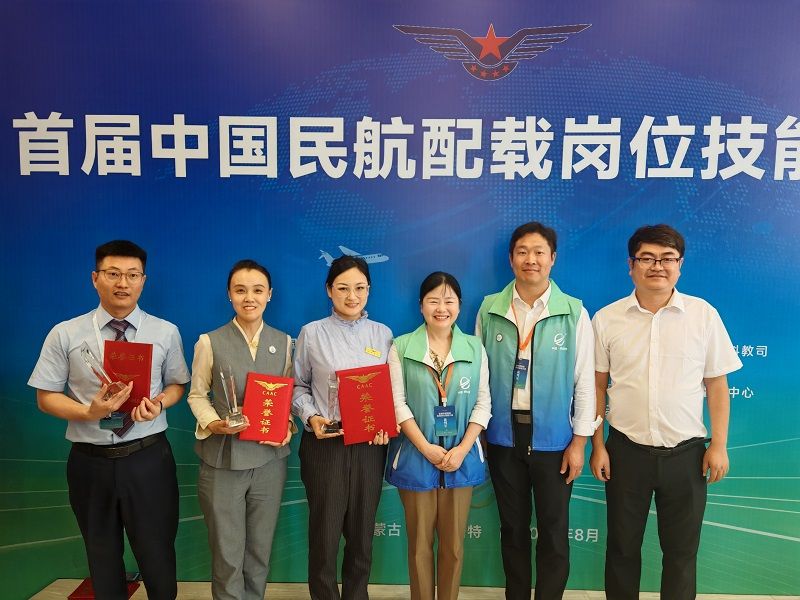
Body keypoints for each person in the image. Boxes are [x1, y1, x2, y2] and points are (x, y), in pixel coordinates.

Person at [28, 240, 190, 600]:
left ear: (143, 280)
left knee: (158, 554)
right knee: (101, 557)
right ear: (95, 278)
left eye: (132, 275)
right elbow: (45, 397)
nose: (123, 283)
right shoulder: (66, 333)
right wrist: (88, 412)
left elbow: (178, 384)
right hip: (90, 462)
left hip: (148, 457)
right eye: (113, 274)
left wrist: (160, 403)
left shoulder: (165, 331)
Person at [590, 224, 742, 599]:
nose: (657, 266)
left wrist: (719, 445)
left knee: (681, 554)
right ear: (631, 265)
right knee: (622, 549)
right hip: (626, 452)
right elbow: (595, 386)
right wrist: (598, 445)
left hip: (687, 456)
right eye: (647, 258)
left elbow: (717, 386)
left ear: (680, 265)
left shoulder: (703, 315)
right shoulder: (607, 319)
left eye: (667, 258)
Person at [476, 222, 599, 600]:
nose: (531, 259)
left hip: (555, 440)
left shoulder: (574, 312)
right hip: (503, 436)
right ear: (511, 259)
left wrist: (580, 442)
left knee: (554, 531)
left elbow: (585, 382)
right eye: (523, 252)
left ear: (552, 258)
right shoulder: (490, 308)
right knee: (512, 530)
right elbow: (478, 376)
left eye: (539, 252)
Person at [187, 259, 295, 600]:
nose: (249, 298)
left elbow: (288, 397)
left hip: (269, 460)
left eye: (257, 290)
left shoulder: (285, 342)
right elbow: (196, 394)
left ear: (269, 295)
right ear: (229, 295)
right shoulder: (209, 341)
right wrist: (212, 423)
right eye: (240, 290)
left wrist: (288, 425)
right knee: (227, 551)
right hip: (224, 460)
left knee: (259, 549)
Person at [291, 255, 393, 600]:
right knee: (325, 535)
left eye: (360, 288)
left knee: (362, 535)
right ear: (329, 290)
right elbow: (297, 386)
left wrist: (384, 425)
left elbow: (390, 391)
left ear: (369, 290)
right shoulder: (312, 333)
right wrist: (311, 417)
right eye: (343, 288)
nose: (352, 296)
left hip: (370, 447)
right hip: (325, 443)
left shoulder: (383, 334)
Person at [385, 272, 491, 600]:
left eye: (448, 301)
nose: (441, 308)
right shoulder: (401, 346)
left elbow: (483, 403)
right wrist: (426, 448)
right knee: (419, 547)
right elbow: (397, 403)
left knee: (454, 547)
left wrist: (462, 449)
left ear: (459, 305)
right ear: (421, 306)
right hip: (416, 458)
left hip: (461, 459)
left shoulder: (474, 347)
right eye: (433, 301)